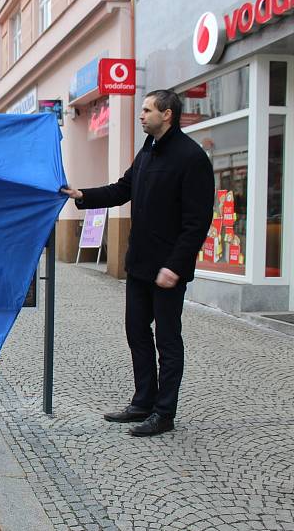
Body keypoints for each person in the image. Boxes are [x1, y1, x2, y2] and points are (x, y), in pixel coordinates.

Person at [62, 90, 214, 437]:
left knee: (168, 340)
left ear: (168, 115)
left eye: (147, 110)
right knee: (136, 332)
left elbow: (197, 221)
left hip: (168, 271)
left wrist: (175, 266)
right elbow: (121, 189)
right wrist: (82, 195)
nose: (141, 115)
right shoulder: (147, 151)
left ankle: (164, 413)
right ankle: (143, 401)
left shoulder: (191, 158)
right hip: (141, 264)